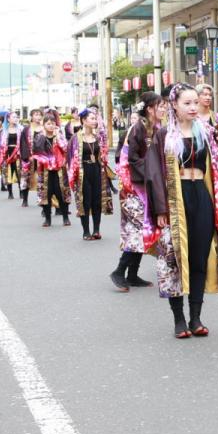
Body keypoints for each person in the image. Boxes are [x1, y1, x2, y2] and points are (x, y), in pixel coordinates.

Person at [153, 84, 218, 339]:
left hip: (201, 195)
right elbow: (154, 174)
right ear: (174, 105)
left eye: (195, 103)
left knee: (200, 256)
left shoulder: (206, 132)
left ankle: (196, 317)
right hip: (174, 200)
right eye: (187, 103)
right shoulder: (163, 136)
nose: (193, 107)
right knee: (175, 259)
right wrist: (160, 209)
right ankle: (179, 319)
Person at [110, 93, 161, 292]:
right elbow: (132, 159)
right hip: (132, 188)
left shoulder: (156, 128)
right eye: (160, 106)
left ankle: (132, 274)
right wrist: (154, 169)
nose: (164, 110)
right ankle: (119, 271)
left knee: (143, 230)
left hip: (146, 185)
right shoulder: (138, 128)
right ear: (149, 109)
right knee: (138, 230)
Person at [70, 108, 115, 241]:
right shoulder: (75, 138)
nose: (95, 121)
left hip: (97, 170)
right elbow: (71, 159)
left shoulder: (98, 137)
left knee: (97, 200)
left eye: (95, 119)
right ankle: (86, 231)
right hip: (83, 172)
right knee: (85, 201)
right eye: (92, 118)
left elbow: (103, 155)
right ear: (84, 120)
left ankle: (96, 230)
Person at [32, 112, 72, 228]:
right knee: (46, 194)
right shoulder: (39, 136)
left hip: (59, 169)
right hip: (45, 170)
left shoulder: (59, 135)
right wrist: (43, 136)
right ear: (44, 125)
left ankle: (65, 216)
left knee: (62, 193)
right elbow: (36, 151)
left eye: (53, 123)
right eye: (48, 124)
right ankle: (47, 218)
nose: (51, 126)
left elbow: (66, 148)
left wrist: (58, 136)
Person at [0, 112, 24, 200]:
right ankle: (10, 193)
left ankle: (21, 192)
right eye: (13, 117)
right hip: (7, 154)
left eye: (16, 117)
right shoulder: (4, 131)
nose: (16, 118)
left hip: (18, 154)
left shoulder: (21, 129)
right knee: (8, 174)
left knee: (19, 174)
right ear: (8, 119)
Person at [19, 108, 43, 208]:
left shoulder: (44, 128)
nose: (38, 117)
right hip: (29, 158)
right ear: (32, 117)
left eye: (39, 115)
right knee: (26, 178)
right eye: (36, 115)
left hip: (42, 158)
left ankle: (42, 200)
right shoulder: (27, 129)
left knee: (42, 180)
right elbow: (23, 143)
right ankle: (25, 199)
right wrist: (28, 156)